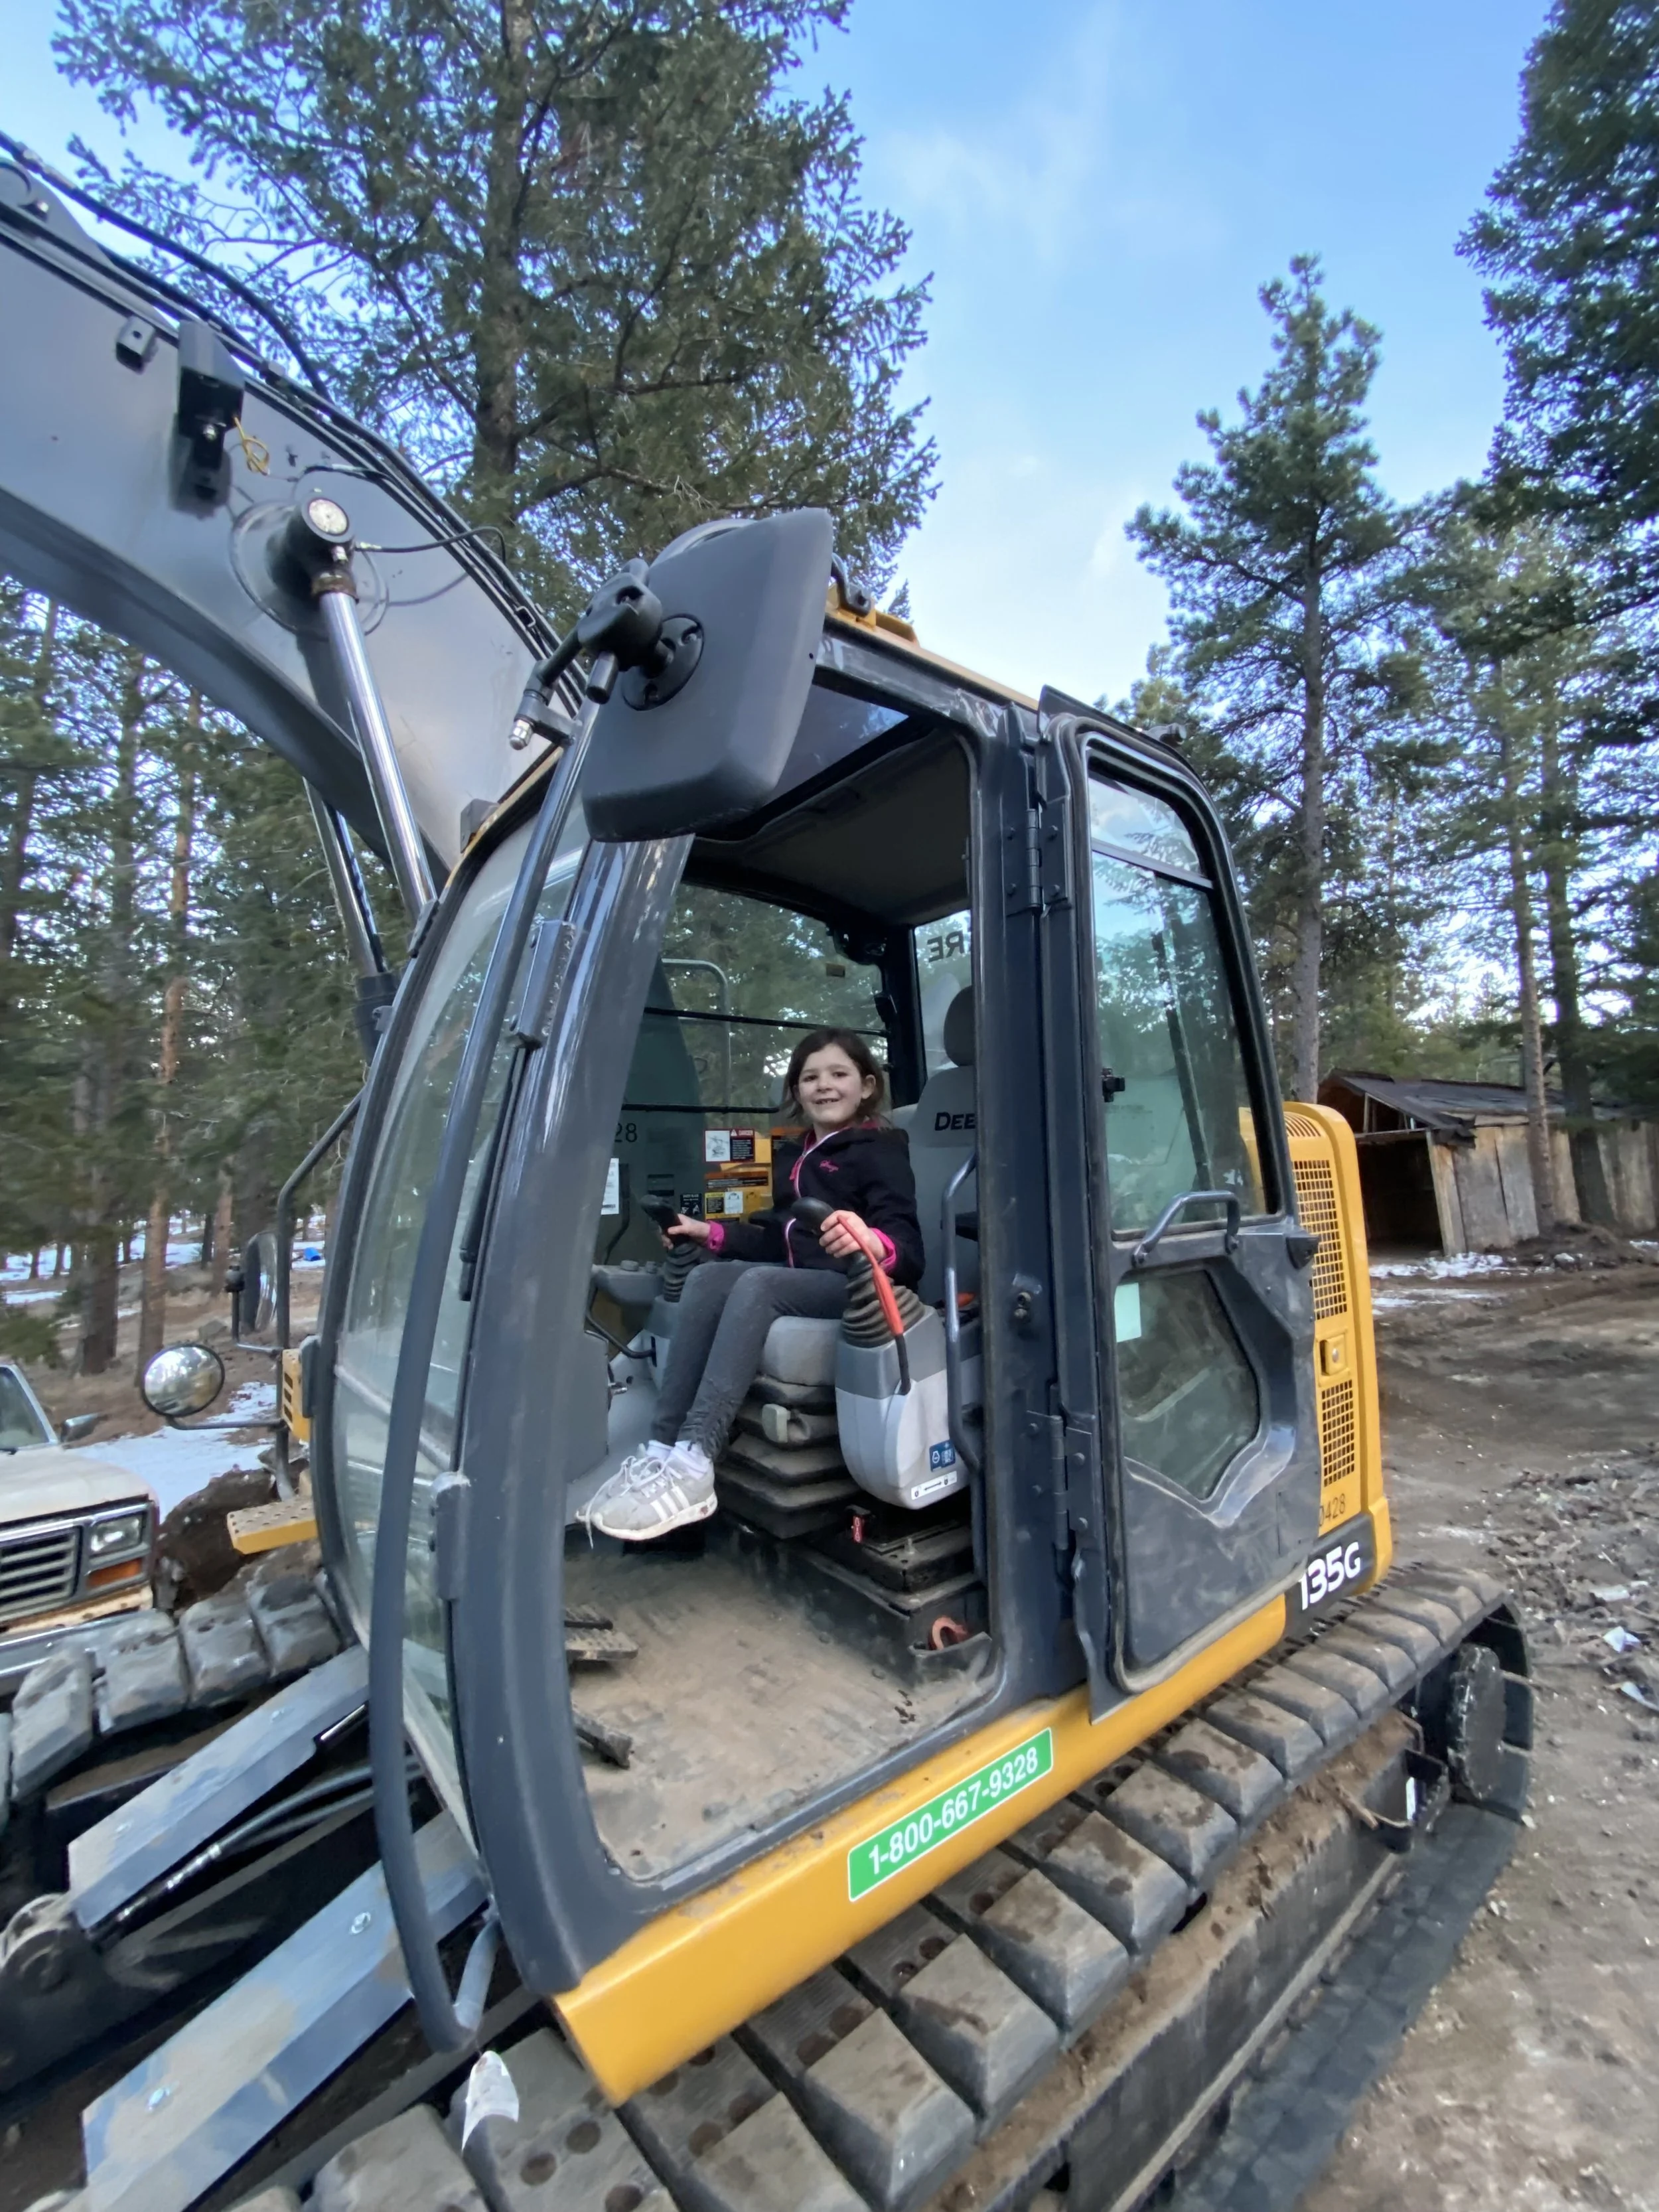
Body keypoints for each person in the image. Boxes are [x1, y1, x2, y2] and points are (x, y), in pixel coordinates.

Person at [583, 1027, 922, 1541]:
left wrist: (870, 1241)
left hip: (852, 1289)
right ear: (795, 1090)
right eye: (810, 1077)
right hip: (798, 1280)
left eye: (838, 1074)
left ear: (867, 1085)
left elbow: (909, 1248)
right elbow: (774, 1240)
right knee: (711, 1276)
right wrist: (707, 1232)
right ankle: (661, 1449)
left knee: (758, 1286)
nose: (823, 1086)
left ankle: (697, 1458)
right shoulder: (794, 1157)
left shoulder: (880, 1150)